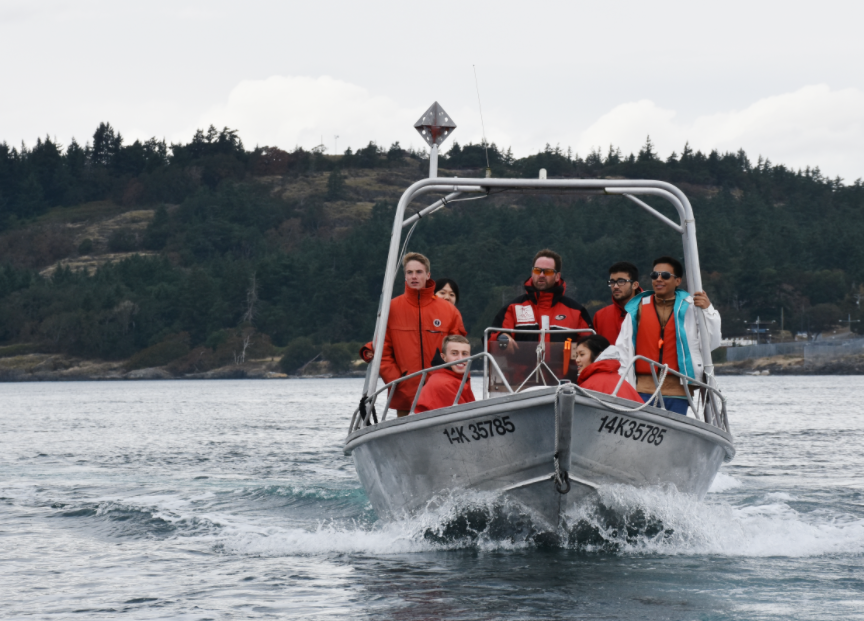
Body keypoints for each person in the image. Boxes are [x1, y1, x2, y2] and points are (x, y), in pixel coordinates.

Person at [615, 256, 722, 415]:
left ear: (677, 281)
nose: (658, 279)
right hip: (642, 389)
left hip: (678, 391)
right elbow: (622, 349)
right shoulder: (636, 309)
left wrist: (708, 311)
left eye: (665, 275)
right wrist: (623, 385)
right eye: (654, 275)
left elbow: (711, 343)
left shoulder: (693, 308)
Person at [378, 252, 467, 417]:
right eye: (409, 272)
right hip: (405, 394)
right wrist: (397, 380)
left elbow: (460, 352)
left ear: (428, 275)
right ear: (404, 276)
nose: (414, 276)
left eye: (419, 272)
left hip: (441, 393)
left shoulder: (449, 310)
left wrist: (450, 383)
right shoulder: (391, 309)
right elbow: (382, 350)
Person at [492, 249, 593, 348]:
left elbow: (591, 348)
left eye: (547, 272)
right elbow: (491, 339)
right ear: (532, 273)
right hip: (522, 365)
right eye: (537, 270)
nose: (541, 275)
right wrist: (502, 339)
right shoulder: (513, 308)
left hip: (562, 365)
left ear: (557, 276)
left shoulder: (577, 312)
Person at [359, 276, 461, 363]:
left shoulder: (455, 322)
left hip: (441, 378)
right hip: (414, 377)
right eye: (442, 292)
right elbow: (396, 336)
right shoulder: (416, 315)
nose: (447, 297)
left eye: (452, 294)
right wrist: (370, 348)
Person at [572, 334, 643, 402]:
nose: (577, 360)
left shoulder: (589, 386)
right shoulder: (623, 382)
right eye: (576, 355)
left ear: (599, 356)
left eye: (582, 354)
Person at [414, 335, 476, 413]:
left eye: (464, 354)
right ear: (443, 357)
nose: (460, 358)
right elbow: (463, 417)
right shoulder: (445, 384)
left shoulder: (449, 378)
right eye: (454, 353)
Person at [593, 261, 643, 345]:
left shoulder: (651, 311)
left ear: (635, 285)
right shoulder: (600, 316)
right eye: (612, 282)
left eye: (621, 281)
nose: (615, 286)